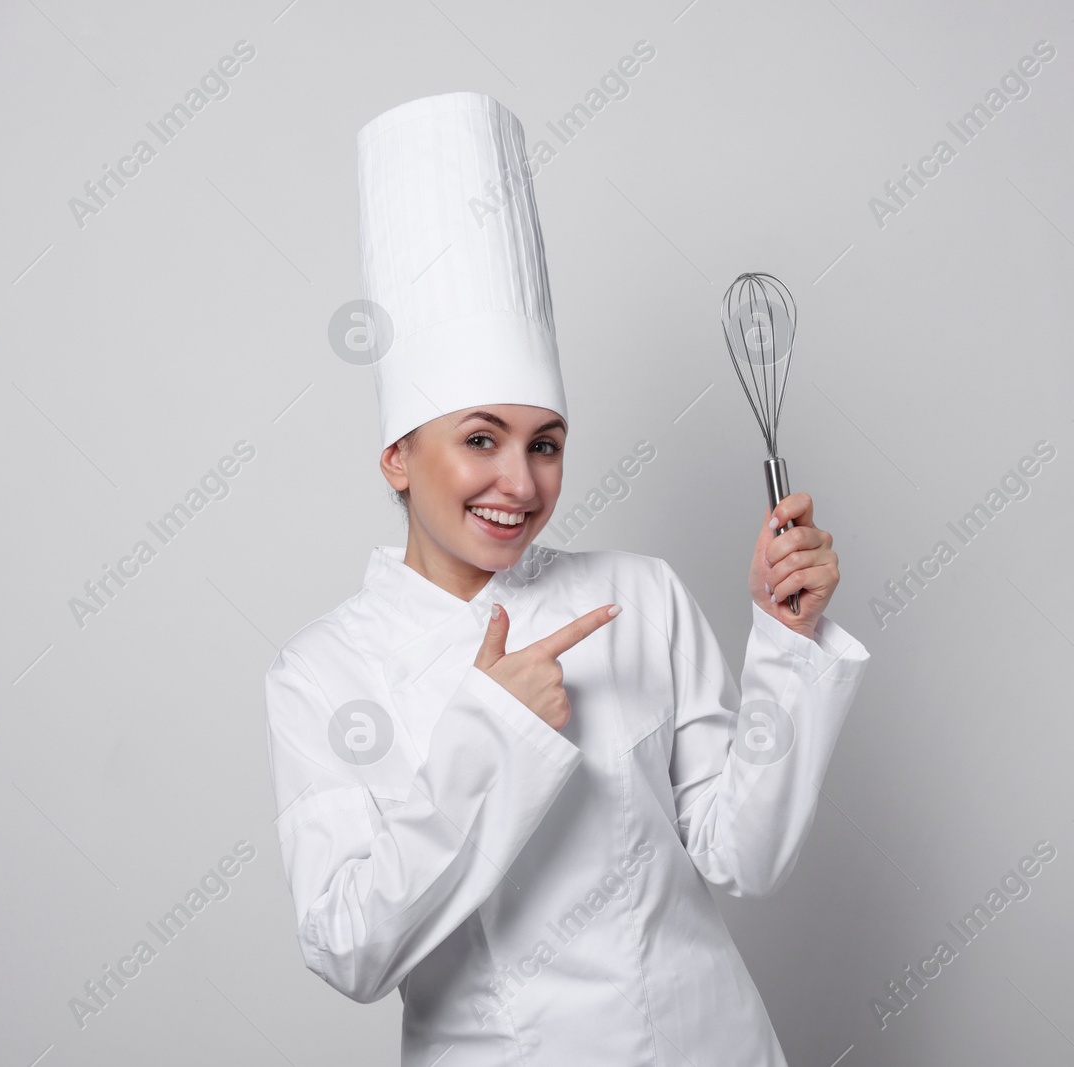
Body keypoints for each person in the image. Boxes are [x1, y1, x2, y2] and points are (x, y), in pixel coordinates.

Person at [264, 90, 870, 1066]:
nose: (519, 480)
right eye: (479, 439)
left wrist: (783, 642)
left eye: (544, 443)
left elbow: (742, 854)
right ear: (396, 456)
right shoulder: (324, 671)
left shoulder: (641, 595)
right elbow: (347, 943)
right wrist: (490, 729)